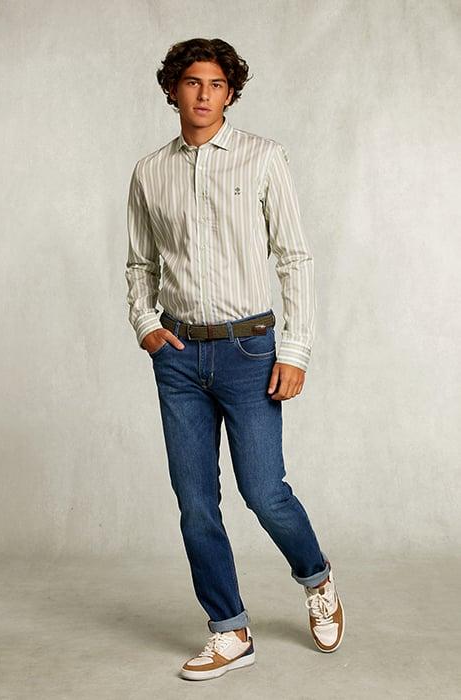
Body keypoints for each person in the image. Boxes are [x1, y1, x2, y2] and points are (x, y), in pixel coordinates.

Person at [125, 37, 345, 681]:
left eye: (216, 84)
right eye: (192, 82)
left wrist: (295, 350)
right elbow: (140, 262)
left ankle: (317, 578)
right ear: (173, 89)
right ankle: (229, 630)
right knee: (195, 502)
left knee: (264, 492)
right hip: (178, 356)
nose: (203, 95)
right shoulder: (149, 171)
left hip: (251, 351)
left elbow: (294, 258)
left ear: (230, 93)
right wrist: (145, 324)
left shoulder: (264, 157)